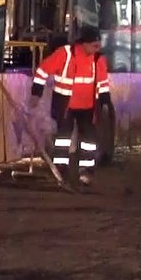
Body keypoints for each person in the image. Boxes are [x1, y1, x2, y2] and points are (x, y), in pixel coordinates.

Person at [31, 25, 111, 187]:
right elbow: (42, 71)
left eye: (98, 45)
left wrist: (105, 101)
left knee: (89, 139)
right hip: (65, 104)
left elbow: (102, 83)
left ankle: (86, 172)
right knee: (63, 138)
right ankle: (61, 169)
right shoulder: (65, 54)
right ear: (84, 43)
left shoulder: (98, 60)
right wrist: (36, 93)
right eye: (95, 45)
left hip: (88, 107)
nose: (97, 48)